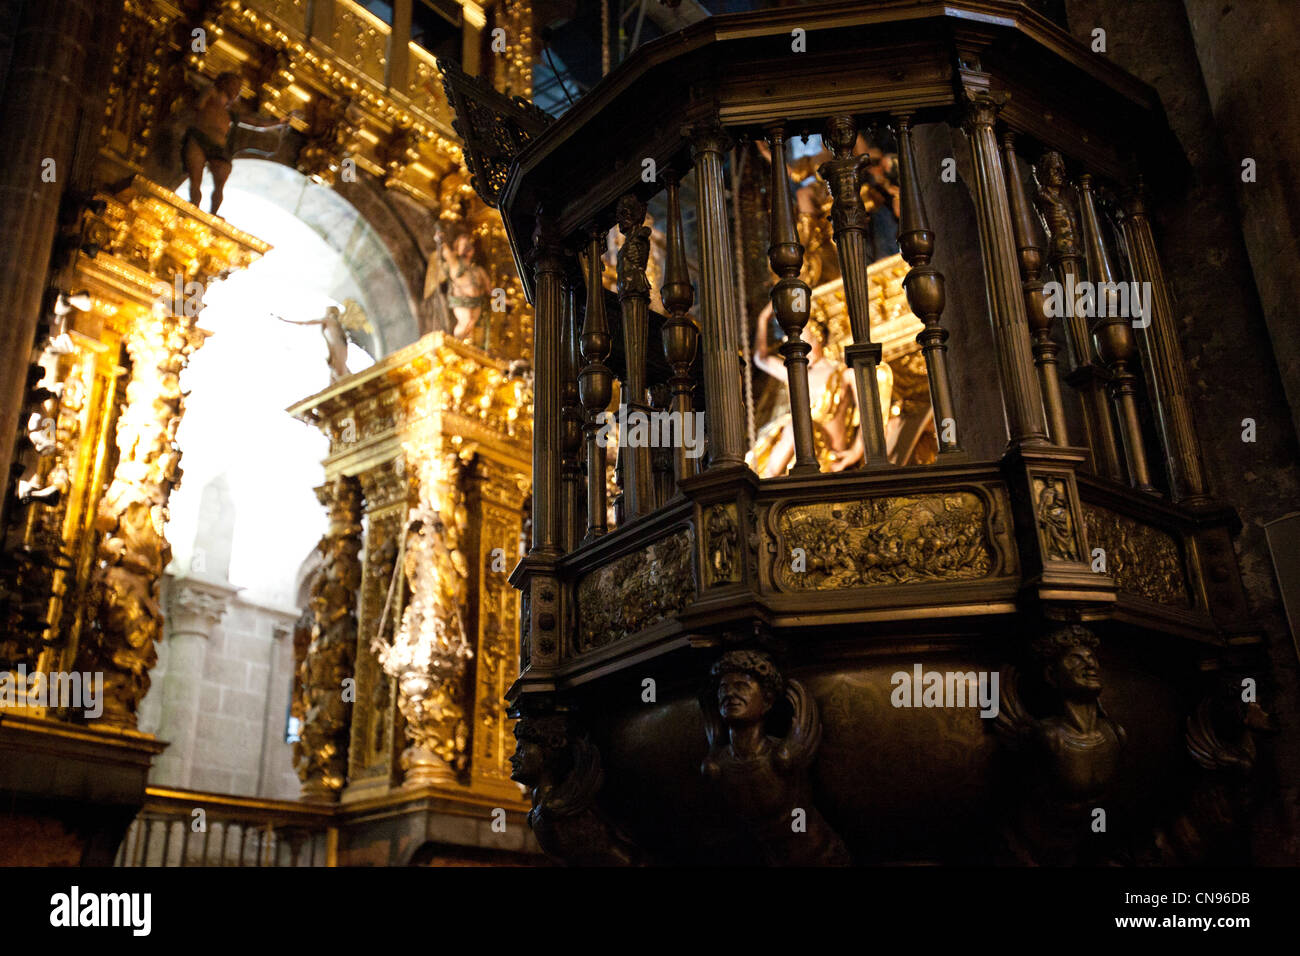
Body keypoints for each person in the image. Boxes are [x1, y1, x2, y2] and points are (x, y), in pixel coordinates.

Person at [182, 72, 292, 215]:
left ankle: (213, 213)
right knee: (195, 182)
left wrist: (278, 122)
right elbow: (198, 105)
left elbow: (257, 123)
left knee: (219, 184)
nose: (236, 90)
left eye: (238, 88)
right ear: (223, 83)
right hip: (199, 138)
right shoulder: (212, 93)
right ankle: (193, 207)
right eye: (234, 85)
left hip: (218, 147)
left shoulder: (230, 113)